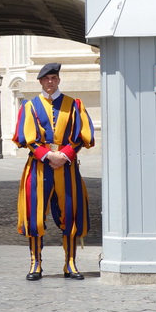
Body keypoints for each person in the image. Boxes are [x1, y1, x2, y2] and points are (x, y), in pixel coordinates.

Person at [13, 62, 95, 281]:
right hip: (39, 167)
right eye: (46, 79)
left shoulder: (74, 104)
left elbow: (82, 136)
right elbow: (26, 138)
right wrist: (49, 155)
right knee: (35, 215)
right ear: (40, 81)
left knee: (71, 213)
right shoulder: (29, 106)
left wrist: (64, 155)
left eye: (54, 78)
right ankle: (35, 264)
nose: (50, 82)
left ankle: (70, 263)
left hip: (67, 167)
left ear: (58, 80)